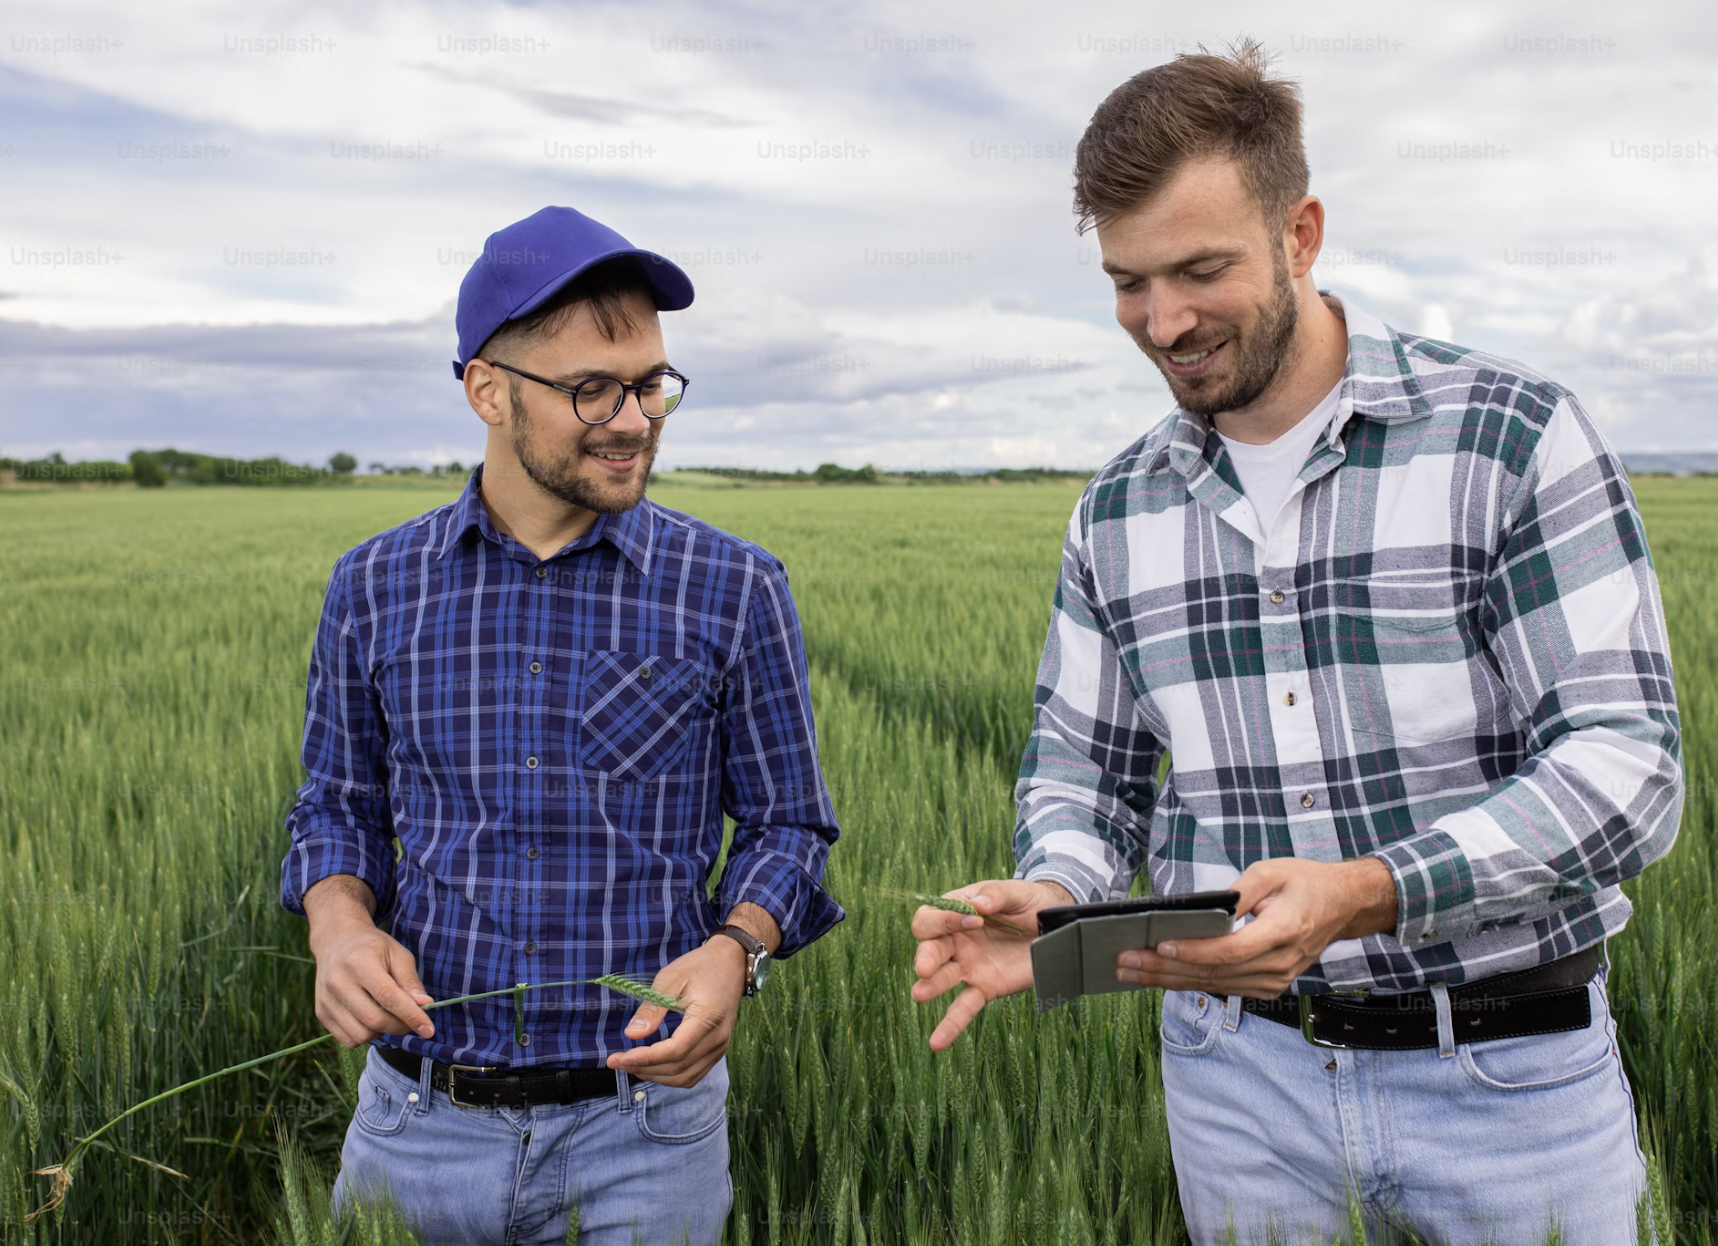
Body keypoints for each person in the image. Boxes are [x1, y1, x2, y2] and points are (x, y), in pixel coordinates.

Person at [909, 43, 1682, 1246]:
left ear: (1299, 231)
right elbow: (1080, 769)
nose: (1161, 322)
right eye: (1126, 283)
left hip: (1504, 1077)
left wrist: (1369, 894)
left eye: (1198, 269)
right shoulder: (1115, 510)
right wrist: (1060, 900)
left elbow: (1624, 767)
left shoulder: (1508, 436)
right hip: (1235, 1085)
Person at [281, 206, 843, 1245]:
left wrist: (735, 949)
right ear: (486, 390)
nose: (634, 418)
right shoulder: (372, 586)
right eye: (591, 387)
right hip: (415, 1125)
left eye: (650, 383)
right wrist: (338, 924)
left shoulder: (733, 587)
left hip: (644, 1135)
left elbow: (788, 826)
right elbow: (334, 807)